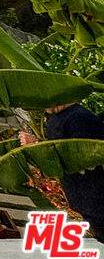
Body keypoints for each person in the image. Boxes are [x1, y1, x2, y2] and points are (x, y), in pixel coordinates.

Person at [20, 103, 104, 241]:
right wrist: (37, 143)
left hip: (96, 199)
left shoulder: (80, 119)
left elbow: (83, 158)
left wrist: (36, 146)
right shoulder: (58, 116)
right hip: (83, 199)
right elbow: (59, 146)